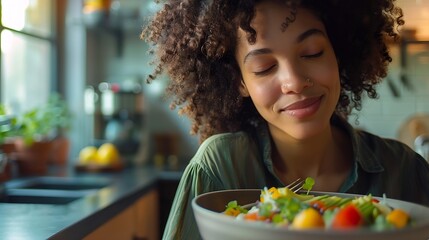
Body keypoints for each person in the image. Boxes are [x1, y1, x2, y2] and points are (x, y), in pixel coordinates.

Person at [141, 0, 429, 239]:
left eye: (312, 53)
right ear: (238, 81)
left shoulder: (405, 170)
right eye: (264, 67)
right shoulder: (218, 168)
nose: (293, 82)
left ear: (337, 54)